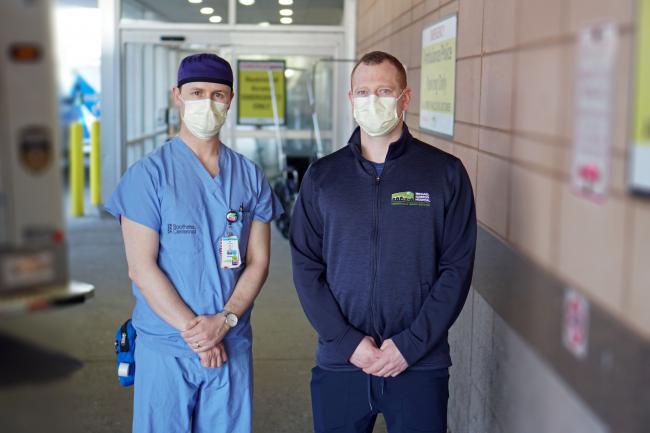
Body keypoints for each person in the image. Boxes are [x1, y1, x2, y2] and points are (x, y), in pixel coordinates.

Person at [289, 51, 477, 433]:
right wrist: (347, 342)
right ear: (350, 99)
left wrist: (409, 345)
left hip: (419, 364)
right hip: (342, 361)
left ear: (405, 98)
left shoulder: (444, 173)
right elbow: (306, 267)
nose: (372, 101)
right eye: (363, 92)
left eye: (384, 91)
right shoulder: (323, 176)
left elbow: (456, 269)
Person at [105, 53, 283, 433]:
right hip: (167, 346)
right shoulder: (148, 176)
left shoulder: (250, 176)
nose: (208, 102)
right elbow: (141, 266)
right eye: (197, 92)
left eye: (218, 94)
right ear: (178, 96)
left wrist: (225, 321)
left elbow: (259, 261)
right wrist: (199, 334)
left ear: (230, 99)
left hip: (231, 341)